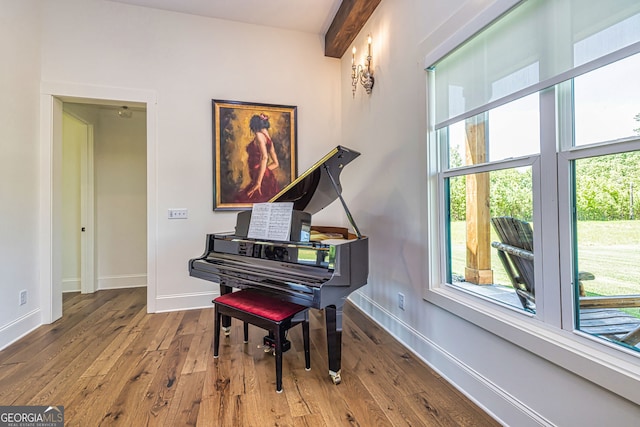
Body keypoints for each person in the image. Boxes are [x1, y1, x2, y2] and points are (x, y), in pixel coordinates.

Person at [236, 113, 280, 202]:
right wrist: (265, 171)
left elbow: (264, 157)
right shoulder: (269, 140)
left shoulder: (259, 136)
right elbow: (276, 163)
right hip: (262, 175)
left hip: (260, 179)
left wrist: (258, 182)